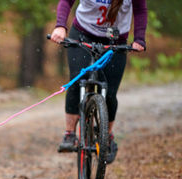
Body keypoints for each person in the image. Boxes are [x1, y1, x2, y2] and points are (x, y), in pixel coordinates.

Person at [50, 0, 147, 163]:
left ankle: (106, 136)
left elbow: (140, 10)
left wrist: (139, 38)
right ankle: (69, 133)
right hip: (83, 34)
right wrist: (60, 26)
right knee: (77, 80)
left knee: (110, 93)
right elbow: (66, 2)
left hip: (115, 40)